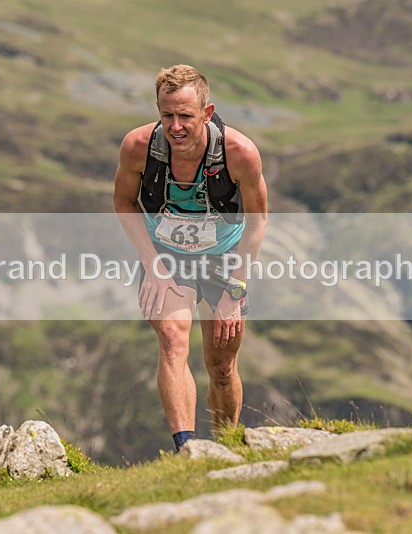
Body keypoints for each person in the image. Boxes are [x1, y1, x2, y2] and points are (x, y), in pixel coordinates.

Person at [113, 64, 268, 452]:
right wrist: (152, 264)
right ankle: (187, 451)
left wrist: (236, 289)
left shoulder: (239, 153)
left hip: (225, 259)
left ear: (207, 113)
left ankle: (226, 447)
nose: (176, 126)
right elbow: (123, 201)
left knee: (221, 367)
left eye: (186, 116)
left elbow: (257, 221)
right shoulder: (137, 147)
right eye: (167, 116)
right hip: (167, 256)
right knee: (172, 340)